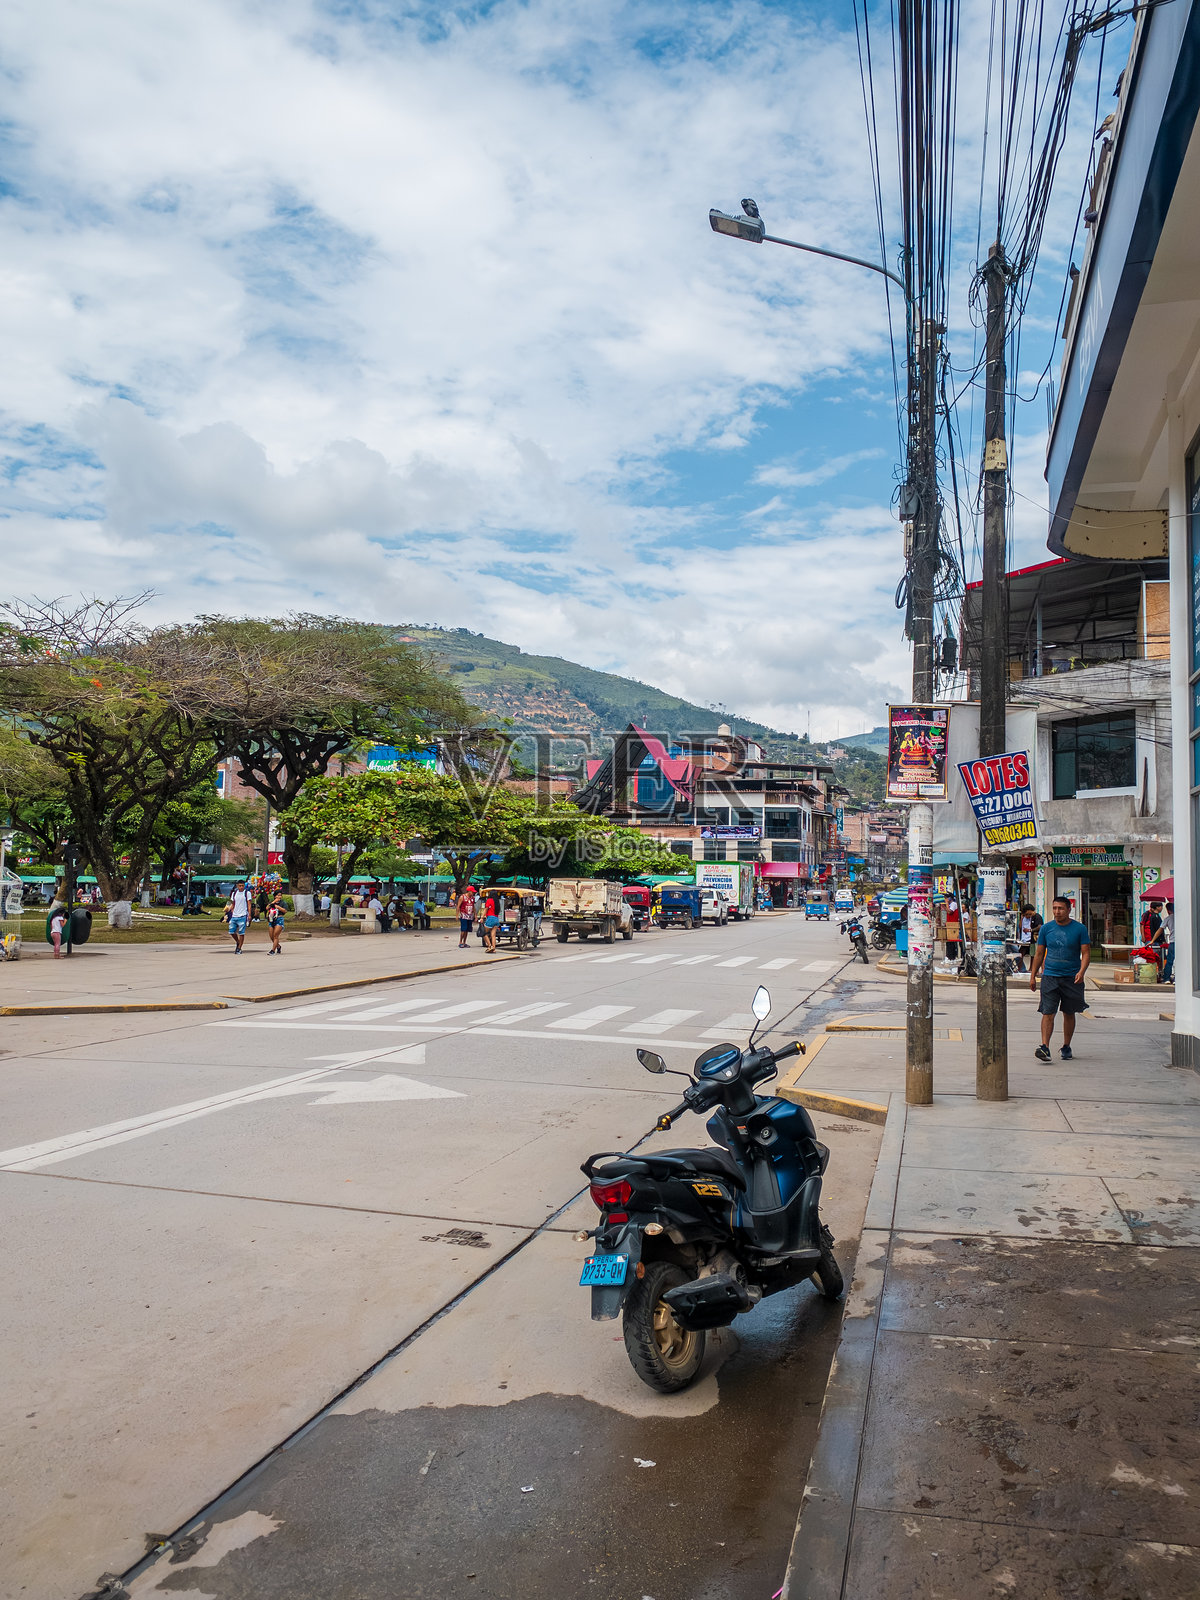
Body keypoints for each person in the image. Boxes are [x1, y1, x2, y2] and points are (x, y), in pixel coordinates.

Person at [1029, 895, 1091, 1061]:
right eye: (1054, 908)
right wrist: (1033, 976)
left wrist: (1082, 971)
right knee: (1047, 1012)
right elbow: (1039, 953)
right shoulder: (1046, 929)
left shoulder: (1080, 929)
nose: (1057, 912)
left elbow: (1086, 953)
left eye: (1061, 908)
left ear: (1069, 909)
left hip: (1072, 977)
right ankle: (1044, 1047)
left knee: (1068, 1012)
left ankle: (1066, 1046)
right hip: (1050, 976)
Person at [226, 880, 251, 954]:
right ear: (237, 886)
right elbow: (232, 903)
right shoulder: (234, 893)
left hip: (243, 915)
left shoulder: (247, 893)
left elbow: (249, 904)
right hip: (234, 915)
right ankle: (238, 941)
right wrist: (229, 909)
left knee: (241, 932)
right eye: (239, 886)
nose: (241, 887)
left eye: (242, 886)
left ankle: (239, 948)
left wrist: (249, 914)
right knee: (231, 931)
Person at [1154, 901, 1175, 983]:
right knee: (1180, 960)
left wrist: (1152, 940)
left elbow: (1160, 930)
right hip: (1182, 942)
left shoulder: (1168, 919)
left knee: (1170, 961)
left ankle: (1166, 978)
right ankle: (1177, 978)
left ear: (1168, 910)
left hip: (1173, 942)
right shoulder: (1183, 917)